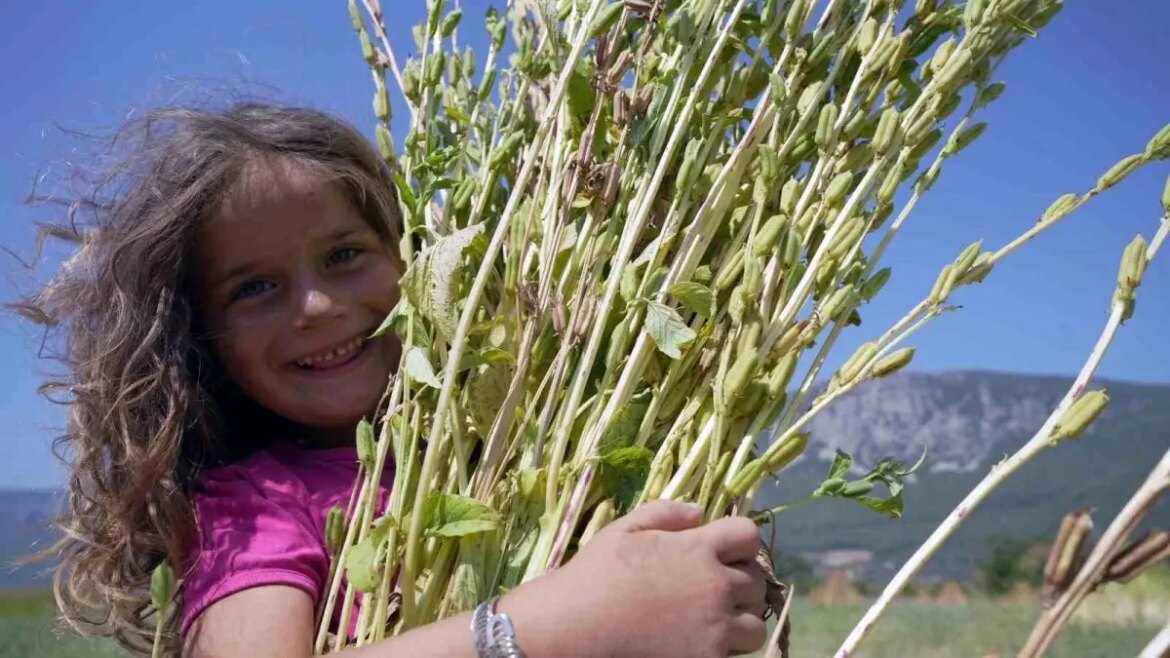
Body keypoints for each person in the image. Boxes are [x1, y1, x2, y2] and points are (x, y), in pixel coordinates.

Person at [20, 102, 768, 657]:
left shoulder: (525, 437)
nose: (318, 306)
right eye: (254, 288)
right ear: (202, 338)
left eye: (344, 255)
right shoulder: (257, 505)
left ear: (416, 255)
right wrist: (550, 625)